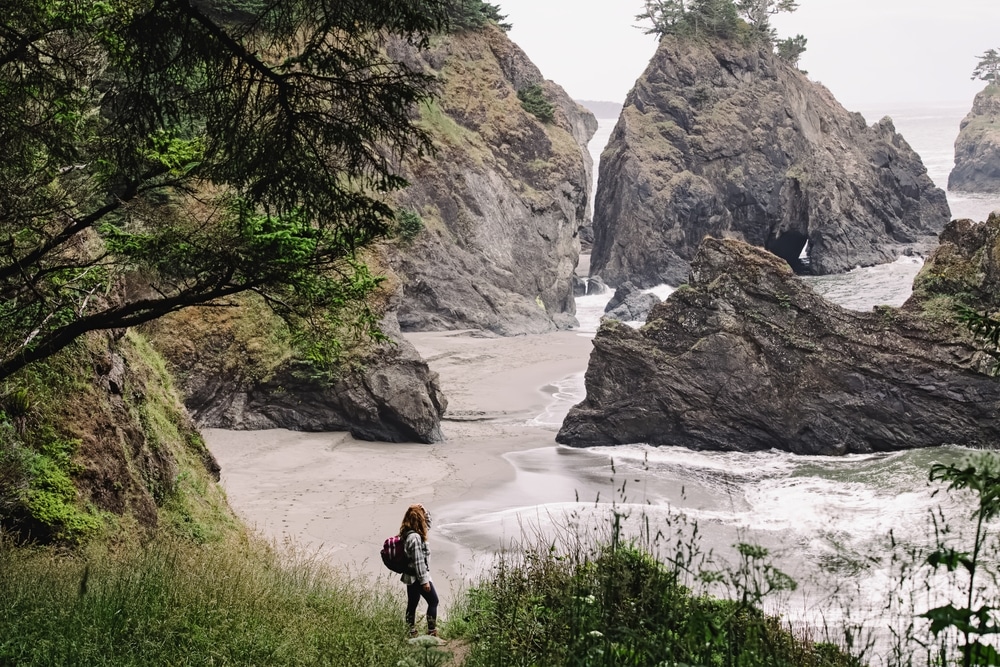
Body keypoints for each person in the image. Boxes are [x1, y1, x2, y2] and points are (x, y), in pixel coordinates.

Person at [399, 503, 441, 639]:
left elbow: (428, 524)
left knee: (412, 603)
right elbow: (418, 562)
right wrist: (424, 581)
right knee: (433, 601)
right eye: (422, 517)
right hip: (417, 577)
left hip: (410, 577)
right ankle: (431, 632)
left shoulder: (409, 533)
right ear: (418, 520)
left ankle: (410, 631)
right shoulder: (415, 538)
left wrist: (424, 510)